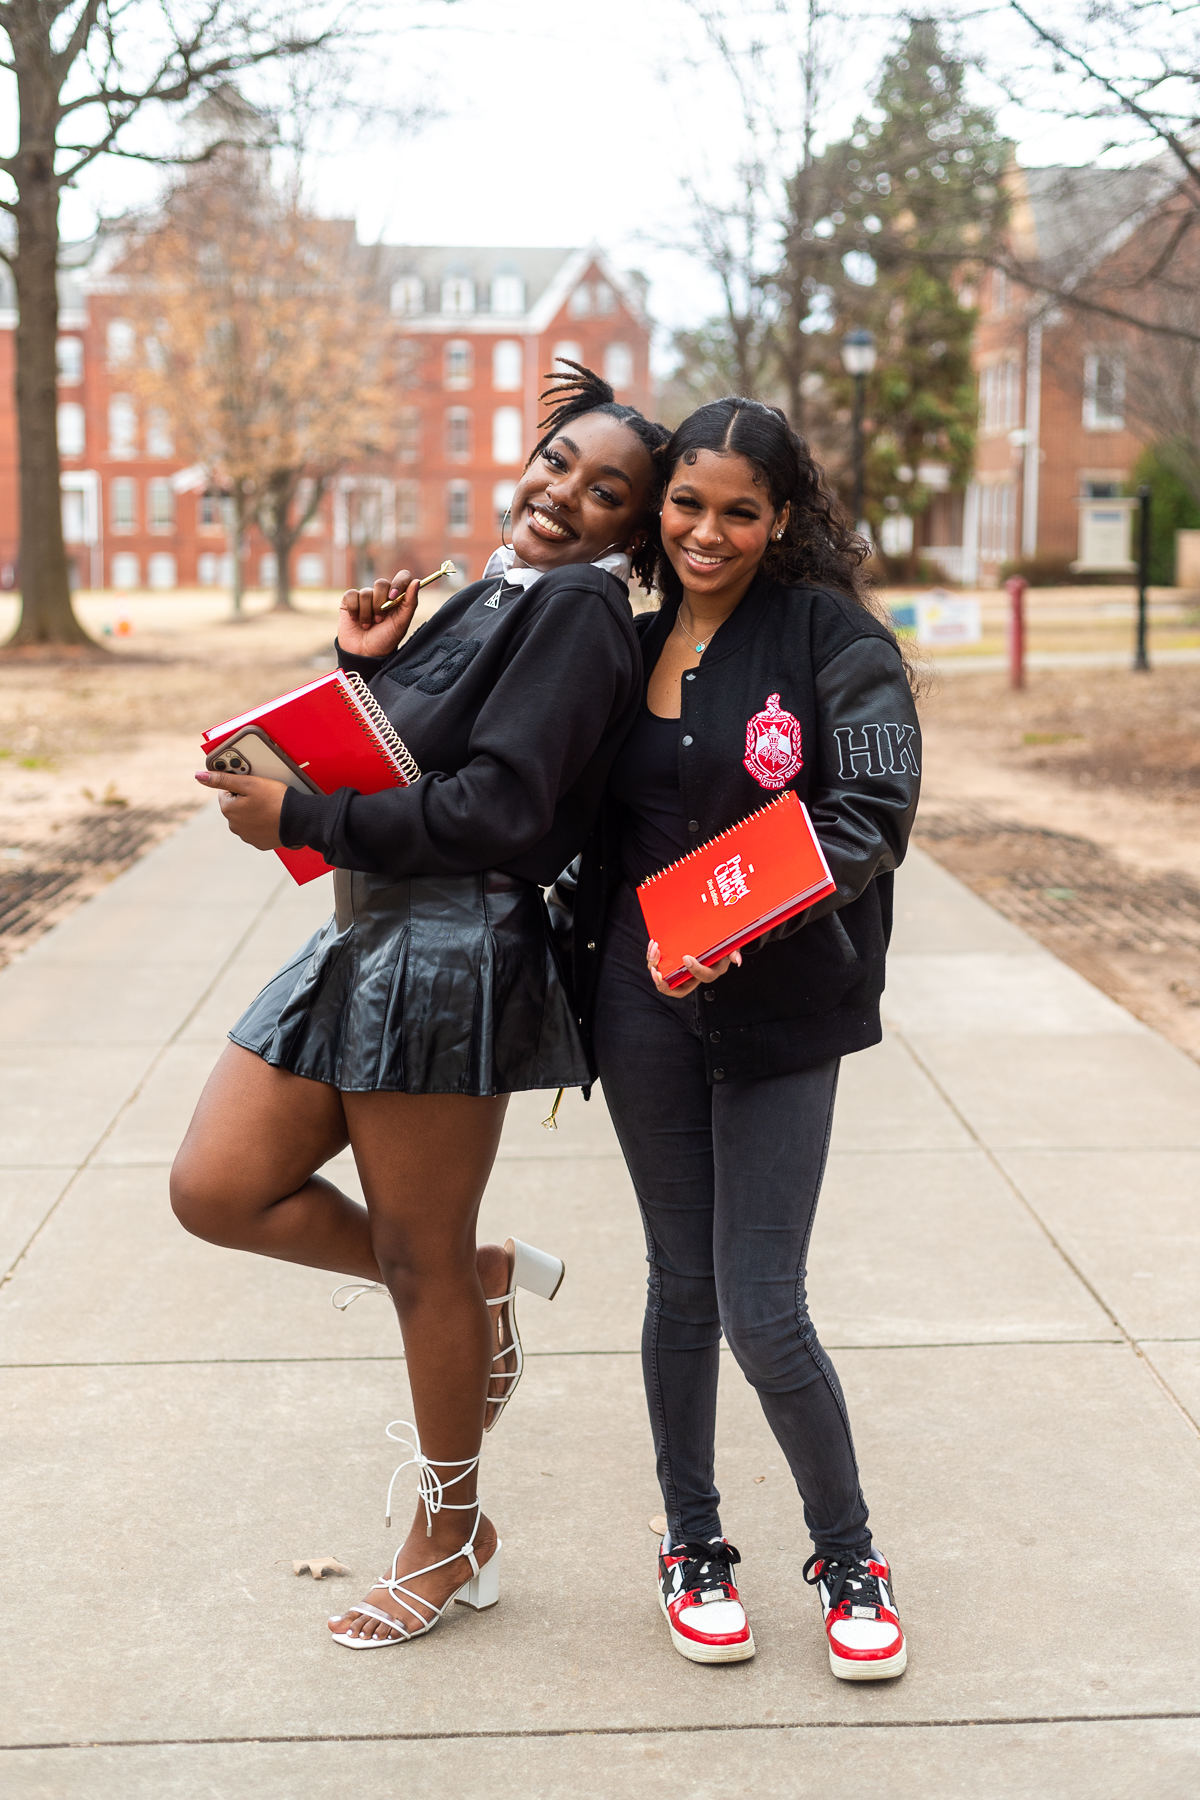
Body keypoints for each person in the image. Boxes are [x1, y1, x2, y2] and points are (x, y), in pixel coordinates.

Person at [170, 365, 668, 1648]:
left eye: (605, 491)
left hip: (457, 954)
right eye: (559, 464)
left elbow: (501, 809)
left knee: (413, 1261)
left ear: (633, 528)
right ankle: (480, 1281)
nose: (563, 496)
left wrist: (308, 817)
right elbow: (413, 749)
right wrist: (361, 663)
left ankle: (450, 1537)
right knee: (219, 1189)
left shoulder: (577, 613)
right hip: (367, 934)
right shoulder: (498, 593)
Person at [549, 398, 920, 1679]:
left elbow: (867, 807)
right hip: (638, 1007)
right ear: (661, 509)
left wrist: (741, 922)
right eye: (687, 504)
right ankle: (693, 1545)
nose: (708, 531)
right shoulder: (623, 639)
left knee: (764, 1306)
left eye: (740, 511)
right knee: (681, 1287)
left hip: (780, 1008)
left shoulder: (834, 641)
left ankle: (849, 1552)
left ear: (782, 517)